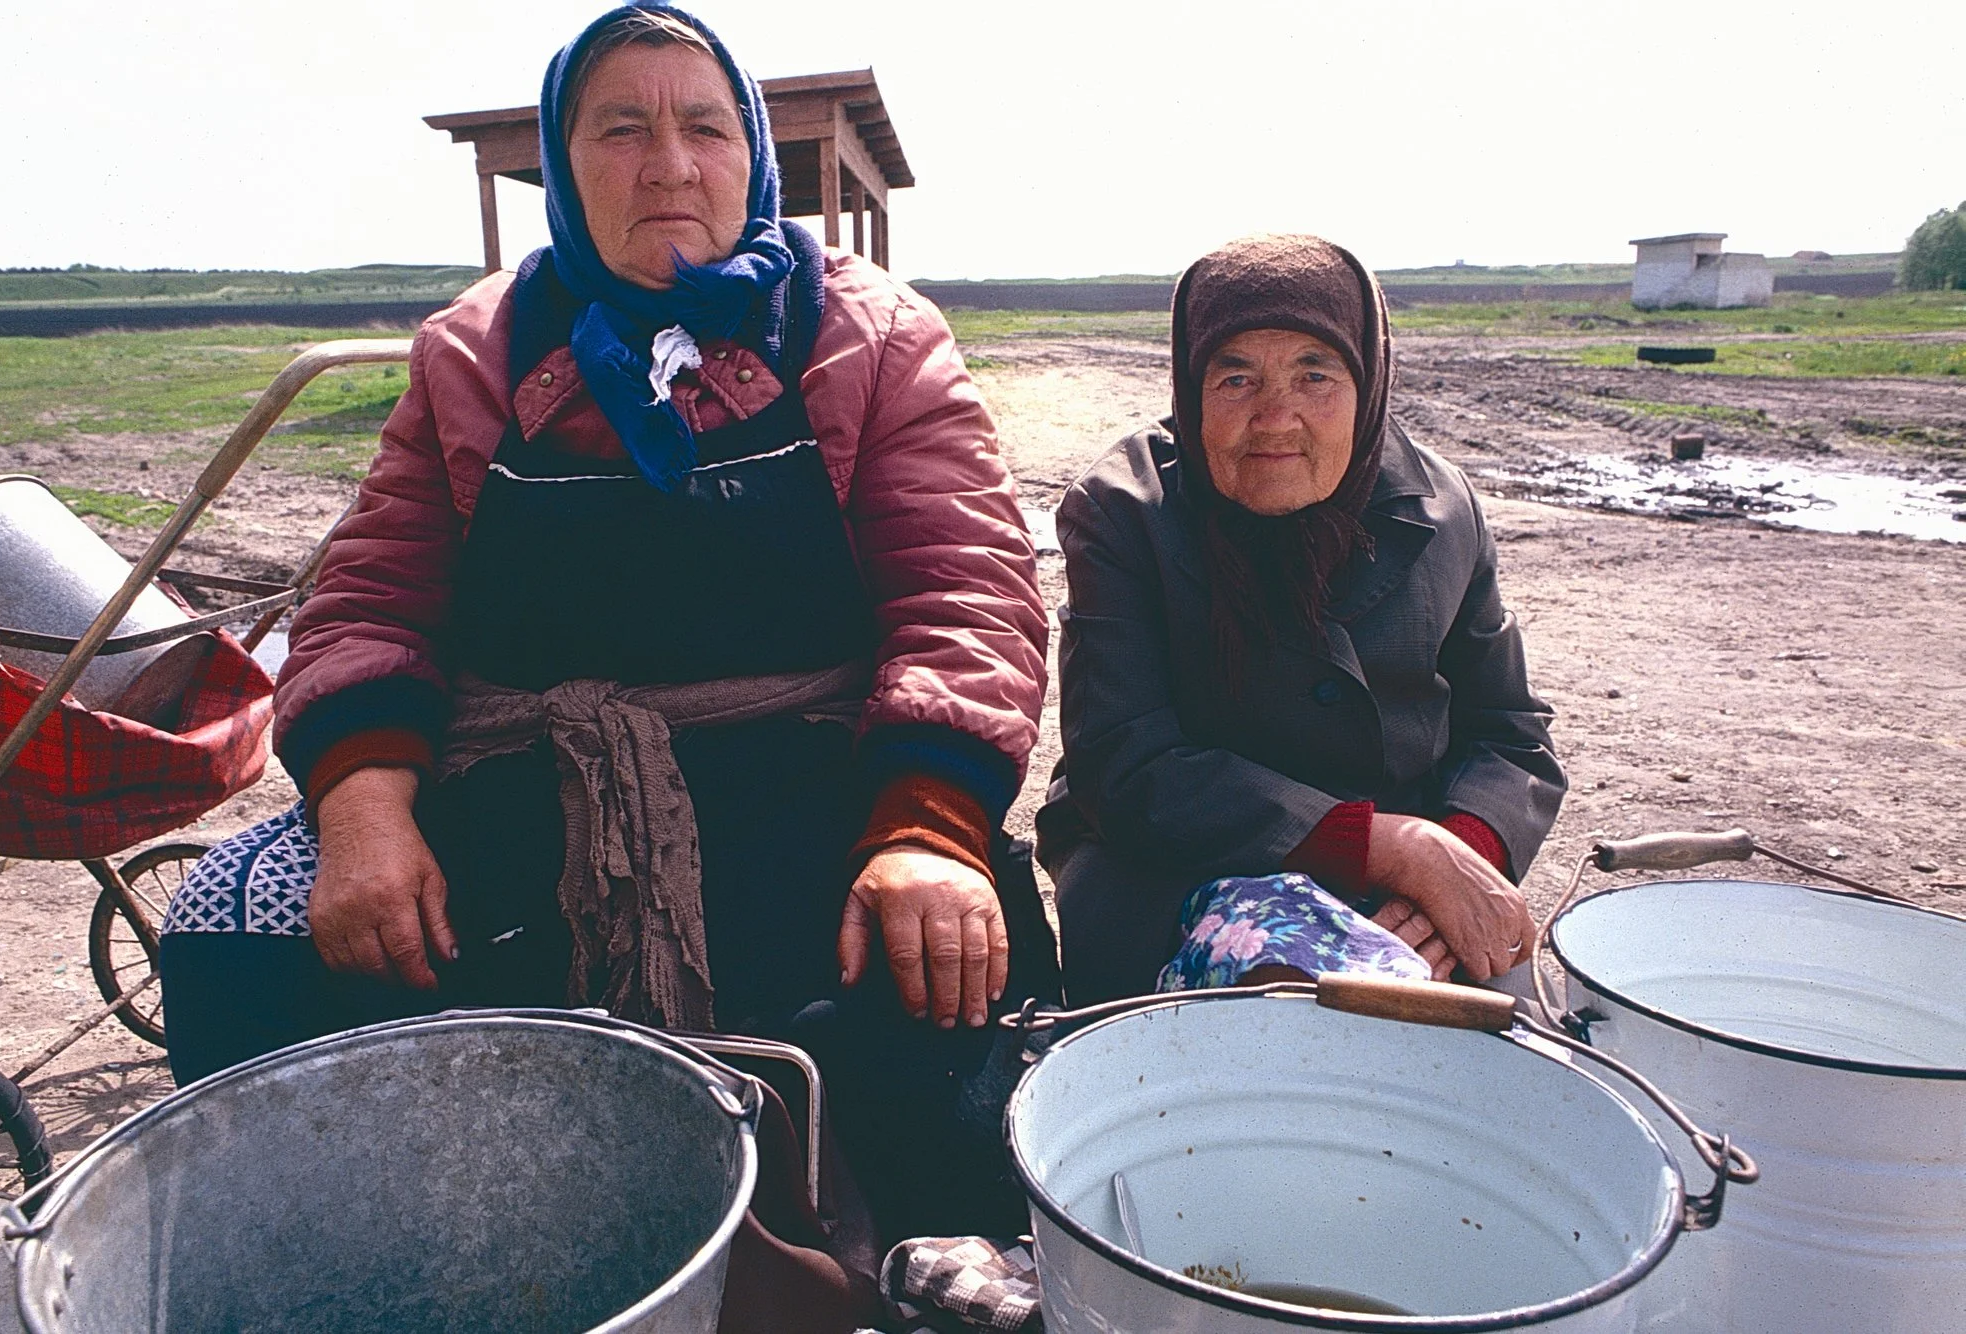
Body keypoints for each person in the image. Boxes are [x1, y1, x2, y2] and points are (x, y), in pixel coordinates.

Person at [159, 2, 1054, 1242]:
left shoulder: (868, 334)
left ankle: (901, 1275)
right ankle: (348, 1259)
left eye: (704, 127)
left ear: (751, 153)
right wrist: (363, 806)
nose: (669, 163)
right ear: (564, 165)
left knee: (934, 965)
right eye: (621, 128)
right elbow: (370, 596)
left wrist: (930, 825)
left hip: (808, 769)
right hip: (520, 782)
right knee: (230, 914)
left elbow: (965, 592)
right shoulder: (474, 350)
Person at [1036, 233, 1566, 1005]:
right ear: (1190, 385)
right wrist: (1390, 847)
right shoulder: (1124, 511)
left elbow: (1511, 733)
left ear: (1368, 380)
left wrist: (1459, 855)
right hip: (1170, 863)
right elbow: (1124, 762)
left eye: (1315, 375)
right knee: (1278, 1015)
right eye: (1236, 379)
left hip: (1411, 879)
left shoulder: (1444, 508)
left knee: (1495, 1032)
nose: (1275, 418)